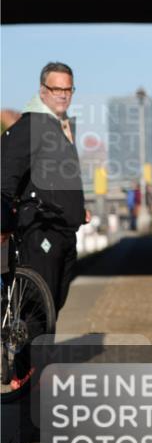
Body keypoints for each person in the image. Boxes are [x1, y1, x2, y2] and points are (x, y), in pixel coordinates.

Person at [1, 62, 89, 387]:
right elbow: (6, 174)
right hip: (39, 229)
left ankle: (33, 370)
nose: (63, 95)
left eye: (68, 89)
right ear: (43, 91)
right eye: (57, 89)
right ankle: (28, 377)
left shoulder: (59, 126)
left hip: (64, 230)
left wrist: (78, 209)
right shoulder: (32, 125)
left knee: (54, 301)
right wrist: (4, 222)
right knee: (39, 305)